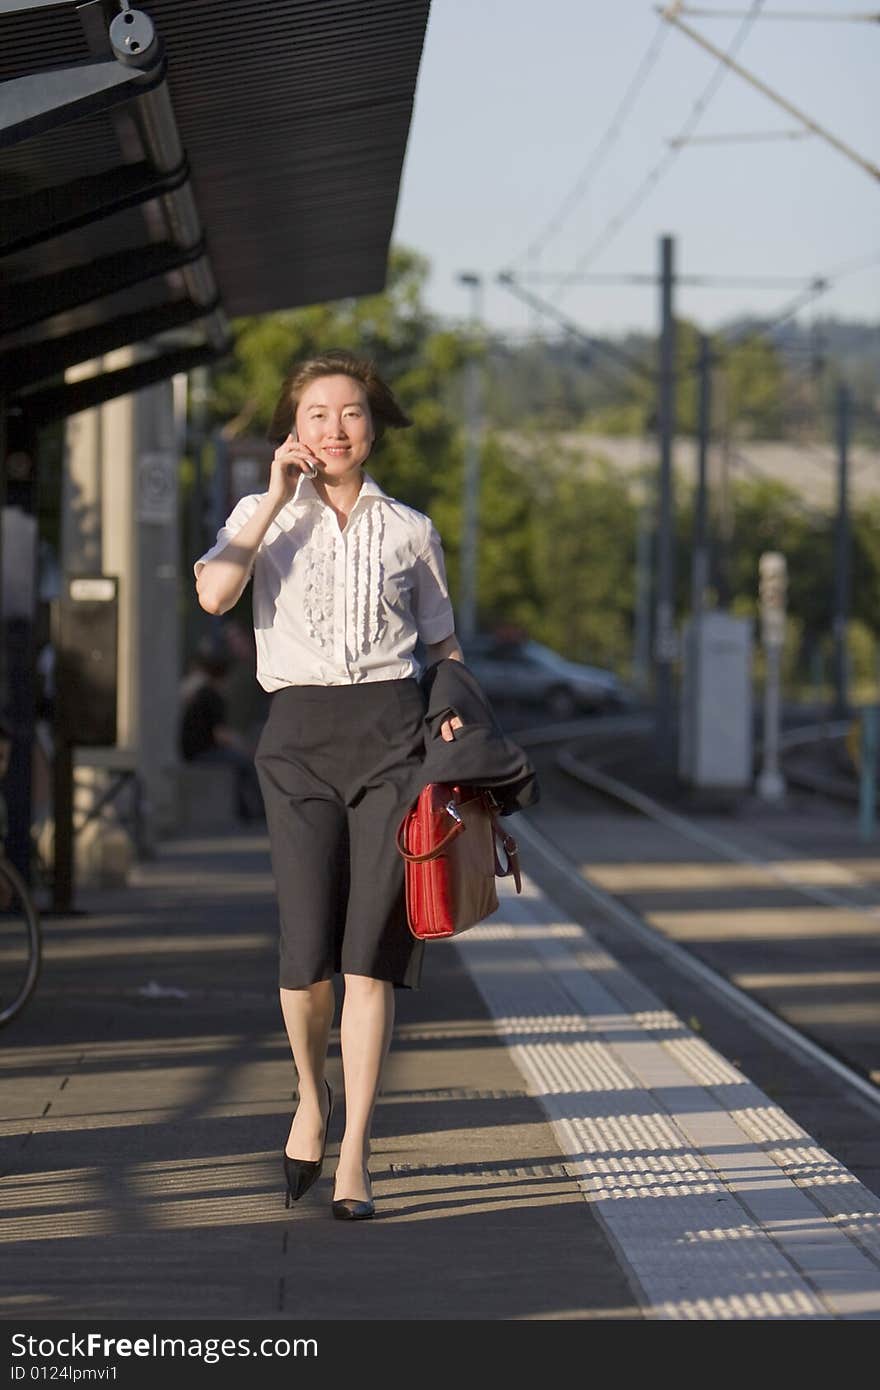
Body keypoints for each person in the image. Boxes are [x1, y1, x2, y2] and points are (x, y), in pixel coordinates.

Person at [193, 349, 464, 1220]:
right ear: (293, 427)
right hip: (298, 738)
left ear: (373, 425)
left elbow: (443, 644)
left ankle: (354, 1152)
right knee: (305, 953)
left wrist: (452, 711)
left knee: (368, 959)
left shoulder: (411, 530)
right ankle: (311, 1096)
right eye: (317, 414)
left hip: (391, 735)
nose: (334, 429)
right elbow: (213, 596)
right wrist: (273, 496)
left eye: (349, 413)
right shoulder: (260, 516)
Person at [179, 648, 265, 823]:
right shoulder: (212, 696)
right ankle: (252, 810)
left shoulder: (201, 693)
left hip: (192, 750)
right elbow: (221, 735)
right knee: (246, 764)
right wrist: (245, 749)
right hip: (202, 752)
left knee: (241, 764)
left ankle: (247, 809)